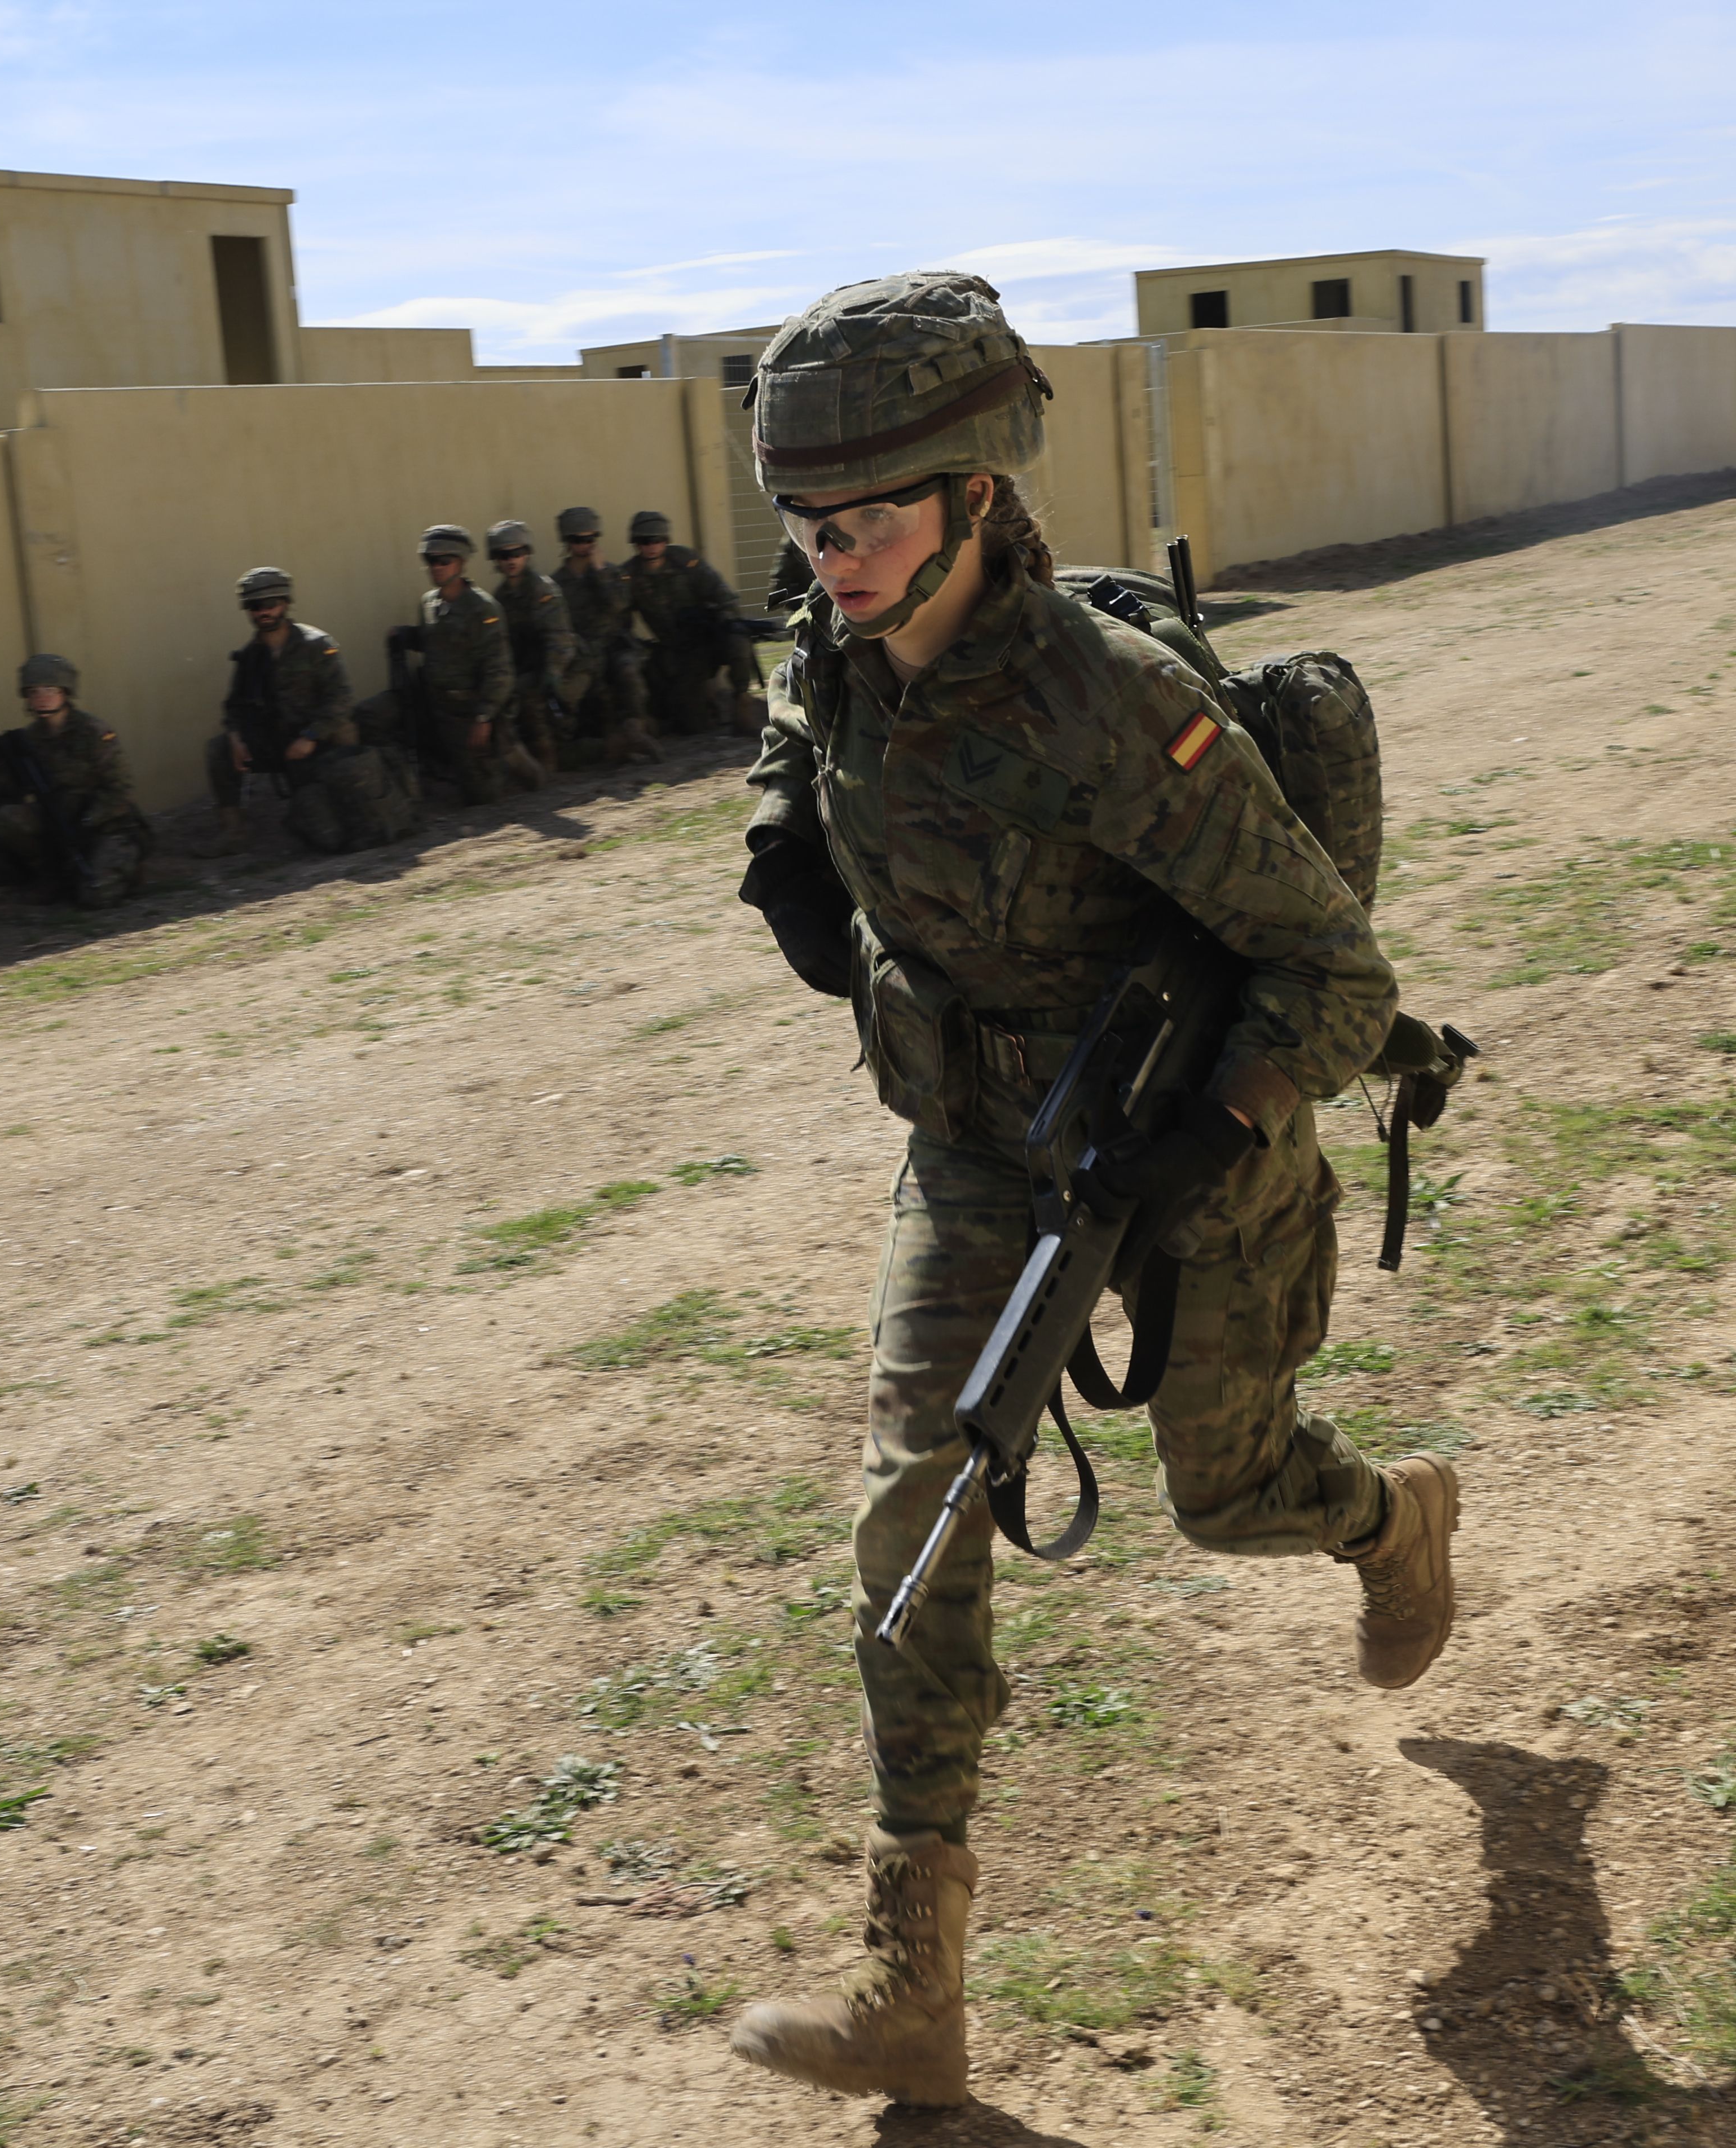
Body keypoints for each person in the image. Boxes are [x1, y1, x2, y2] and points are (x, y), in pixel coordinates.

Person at [724, 271, 1459, 2110]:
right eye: (810, 524)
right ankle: (914, 1984)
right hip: (979, 1154)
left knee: (1229, 1495)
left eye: (876, 514)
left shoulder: (1107, 705)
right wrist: (781, 831)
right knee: (913, 1505)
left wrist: (1205, 1138)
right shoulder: (830, 650)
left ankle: (1392, 1522)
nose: (838, 555)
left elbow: (1338, 979)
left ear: (979, 494)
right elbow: (795, 727)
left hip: (1194, 1146)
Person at [204, 567, 399, 855]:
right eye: (256, 607)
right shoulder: (250, 656)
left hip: (321, 745)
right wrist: (235, 737)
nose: (263, 612)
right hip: (278, 743)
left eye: (270, 604)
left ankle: (340, 809)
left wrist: (311, 736)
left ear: (285, 603)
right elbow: (235, 705)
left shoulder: (316, 645)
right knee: (218, 749)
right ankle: (234, 831)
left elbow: (341, 700)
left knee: (328, 836)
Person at [0, 654, 151, 906]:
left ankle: (126, 868)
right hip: (57, 821)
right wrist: (2, 766)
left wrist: (86, 821)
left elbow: (122, 791)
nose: (42, 698)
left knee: (94, 897)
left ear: (65, 693)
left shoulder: (94, 733)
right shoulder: (28, 741)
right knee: (7, 819)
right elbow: (11, 792)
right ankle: (49, 874)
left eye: (50, 690)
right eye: (34, 691)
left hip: (105, 826)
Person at [414, 525, 534, 804]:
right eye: (431, 561)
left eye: (445, 561)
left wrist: (484, 716)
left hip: (473, 709)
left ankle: (515, 757)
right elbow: (434, 643)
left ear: (462, 563)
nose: (437, 568)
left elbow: (499, 668)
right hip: (442, 708)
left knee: (485, 796)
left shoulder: (483, 608)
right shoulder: (428, 604)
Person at [621, 508, 746, 737]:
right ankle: (706, 700)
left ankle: (743, 704)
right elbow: (620, 622)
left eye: (657, 540)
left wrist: (723, 623)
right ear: (635, 544)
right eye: (644, 541)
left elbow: (724, 596)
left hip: (707, 639)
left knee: (738, 639)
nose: (651, 546)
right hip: (677, 653)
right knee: (693, 726)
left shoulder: (686, 562)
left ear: (666, 541)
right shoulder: (629, 576)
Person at [550, 507, 659, 764]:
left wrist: (599, 572)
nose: (586, 545)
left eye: (591, 539)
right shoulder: (556, 583)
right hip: (583, 652)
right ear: (568, 542)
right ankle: (612, 743)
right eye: (579, 540)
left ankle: (637, 729)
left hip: (615, 646)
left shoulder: (610, 573)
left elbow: (619, 605)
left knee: (628, 671)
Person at [486, 520, 581, 777]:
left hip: (566, 665)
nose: (511, 561)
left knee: (533, 696)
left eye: (517, 554)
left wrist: (552, 675)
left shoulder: (543, 590)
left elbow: (559, 639)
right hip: (532, 666)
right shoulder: (500, 598)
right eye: (504, 556)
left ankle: (546, 757)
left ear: (527, 554)